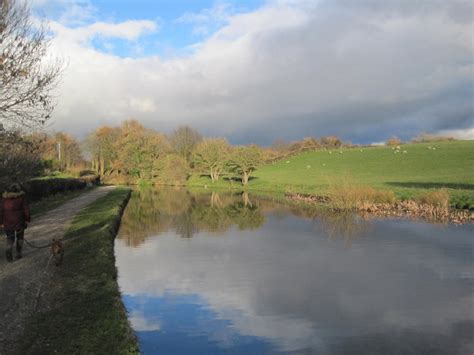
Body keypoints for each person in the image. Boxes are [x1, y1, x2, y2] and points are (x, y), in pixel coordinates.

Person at [0, 183, 30, 262]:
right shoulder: (21, 198)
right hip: (20, 221)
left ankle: (8, 251)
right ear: (18, 190)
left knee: (10, 238)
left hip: (7, 222)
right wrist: (27, 219)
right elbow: (26, 209)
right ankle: (18, 253)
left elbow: (1, 212)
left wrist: (1, 222)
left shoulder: (4, 199)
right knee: (20, 237)